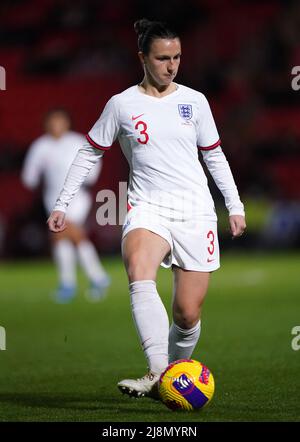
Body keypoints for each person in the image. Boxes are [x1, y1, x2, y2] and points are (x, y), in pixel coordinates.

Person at [47, 19, 246, 397]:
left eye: (177, 57)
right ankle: (158, 372)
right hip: (146, 206)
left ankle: (171, 369)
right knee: (138, 269)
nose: (172, 66)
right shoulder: (122, 105)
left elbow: (215, 156)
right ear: (142, 57)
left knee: (187, 314)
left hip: (195, 210)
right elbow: (90, 152)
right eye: (162, 58)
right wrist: (62, 202)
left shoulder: (195, 101)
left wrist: (234, 205)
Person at [22, 108, 110, 303]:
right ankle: (87, 280)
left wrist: (89, 178)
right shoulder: (40, 146)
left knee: (65, 231)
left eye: (59, 121)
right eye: (52, 121)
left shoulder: (78, 141)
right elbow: (29, 177)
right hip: (52, 199)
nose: (56, 125)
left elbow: (94, 163)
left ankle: (80, 281)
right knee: (61, 238)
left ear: (67, 122)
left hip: (77, 198)